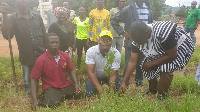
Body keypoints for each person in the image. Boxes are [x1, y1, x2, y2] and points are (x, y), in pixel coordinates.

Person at [119, 21, 195, 99]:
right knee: (144, 65)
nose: (137, 43)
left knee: (166, 66)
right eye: (135, 40)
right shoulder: (137, 41)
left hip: (179, 46)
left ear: (147, 33)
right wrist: (124, 82)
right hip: (163, 47)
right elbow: (132, 62)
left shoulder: (163, 33)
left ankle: (162, 95)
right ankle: (152, 90)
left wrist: (151, 64)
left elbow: (171, 55)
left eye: (139, 40)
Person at [0, 0, 46, 95]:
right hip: (26, 54)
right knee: (27, 81)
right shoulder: (12, 18)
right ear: (16, 2)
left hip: (41, 52)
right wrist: (4, 16)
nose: (22, 2)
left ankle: (45, 90)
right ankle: (30, 95)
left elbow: (44, 34)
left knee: (45, 76)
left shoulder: (37, 16)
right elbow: (6, 35)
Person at [31, 33, 82, 109]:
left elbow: (71, 70)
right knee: (51, 104)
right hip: (51, 87)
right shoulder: (41, 60)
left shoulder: (65, 56)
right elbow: (34, 79)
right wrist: (35, 100)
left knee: (80, 95)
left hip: (65, 85)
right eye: (52, 42)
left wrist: (76, 84)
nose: (54, 44)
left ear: (59, 43)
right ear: (46, 44)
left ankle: (60, 95)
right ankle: (43, 96)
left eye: (56, 42)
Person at [85, 30, 122, 97]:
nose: (105, 42)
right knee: (89, 93)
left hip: (110, 76)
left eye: (108, 40)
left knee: (118, 92)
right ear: (98, 41)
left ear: (111, 42)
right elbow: (90, 73)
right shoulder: (91, 51)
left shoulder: (116, 54)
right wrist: (100, 90)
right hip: (96, 77)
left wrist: (111, 93)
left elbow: (113, 75)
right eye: (102, 40)